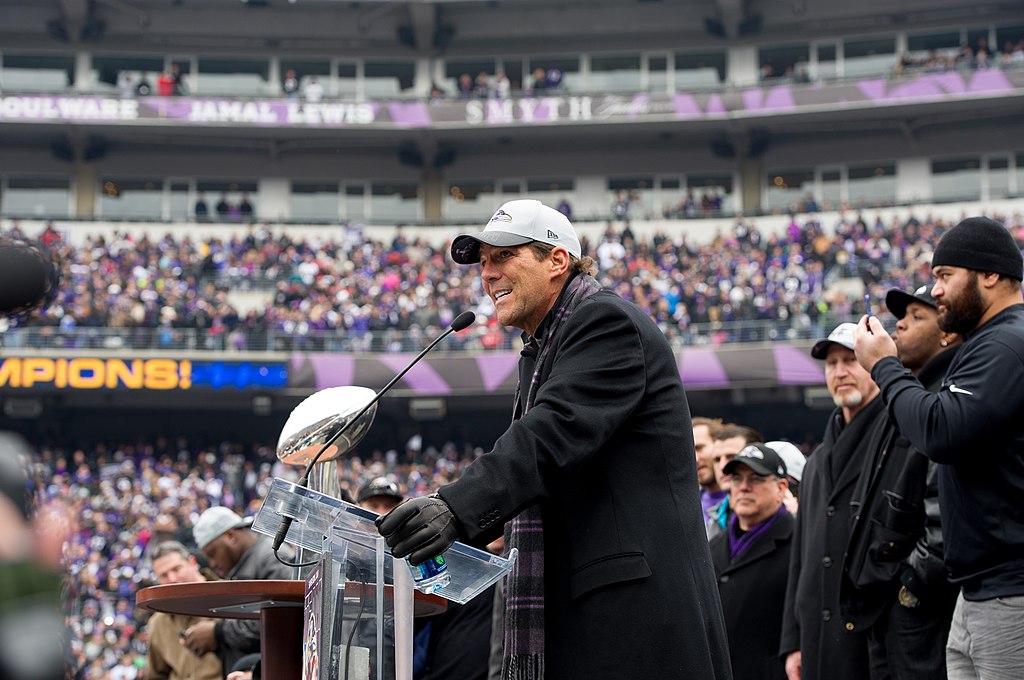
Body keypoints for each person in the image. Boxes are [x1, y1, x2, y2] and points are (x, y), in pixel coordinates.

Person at [377, 199, 731, 679]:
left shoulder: (606, 322)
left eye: (503, 256)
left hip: (635, 619)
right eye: (482, 263)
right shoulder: (543, 350)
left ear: (556, 260)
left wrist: (455, 507)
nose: (487, 274)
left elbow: (550, 436)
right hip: (599, 618)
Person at [855, 216, 1024, 680]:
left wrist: (885, 368)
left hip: (1010, 593)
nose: (936, 291)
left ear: (989, 275)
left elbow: (940, 431)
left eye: (945, 276)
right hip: (980, 592)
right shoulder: (990, 342)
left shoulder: (1008, 343)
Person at [840, 284, 961, 680]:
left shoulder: (945, 400)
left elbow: (946, 513)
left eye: (916, 317)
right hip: (887, 609)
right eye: (900, 316)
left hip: (921, 611)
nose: (900, 326)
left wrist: (908, 589)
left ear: (949, 333)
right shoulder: (904, 396)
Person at [781, 322, 886, 680]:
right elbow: (801, 561)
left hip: (873, 641)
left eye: (850, 360)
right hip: (817, 640)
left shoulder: (896, 439)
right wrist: (793, 641)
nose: (839, 372)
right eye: (831, 363)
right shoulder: (817, 461)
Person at [710, 443, 794, 680]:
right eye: (737, 478)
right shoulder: (713, 545)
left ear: (781, 488)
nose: (744, 487)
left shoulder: (800, 543)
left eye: (756, 478)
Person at [180, 506, 292, 677]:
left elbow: (282, 620)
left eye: (212, 553)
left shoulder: (273, 557)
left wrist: (217, 633)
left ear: (230, 536)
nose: (212, 563)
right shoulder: (245, 563)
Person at [145, 541, 223, 680]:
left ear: (192, 562)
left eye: (176, 569)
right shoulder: (158, 622)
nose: (173, 579)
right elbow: (156, 674)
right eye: (164, 576)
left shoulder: (232, 597)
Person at [707, 424, 763, 540]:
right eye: (717, 460)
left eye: (731, 458)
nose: (722, 467)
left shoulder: (783, 513)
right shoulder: (713, 520)